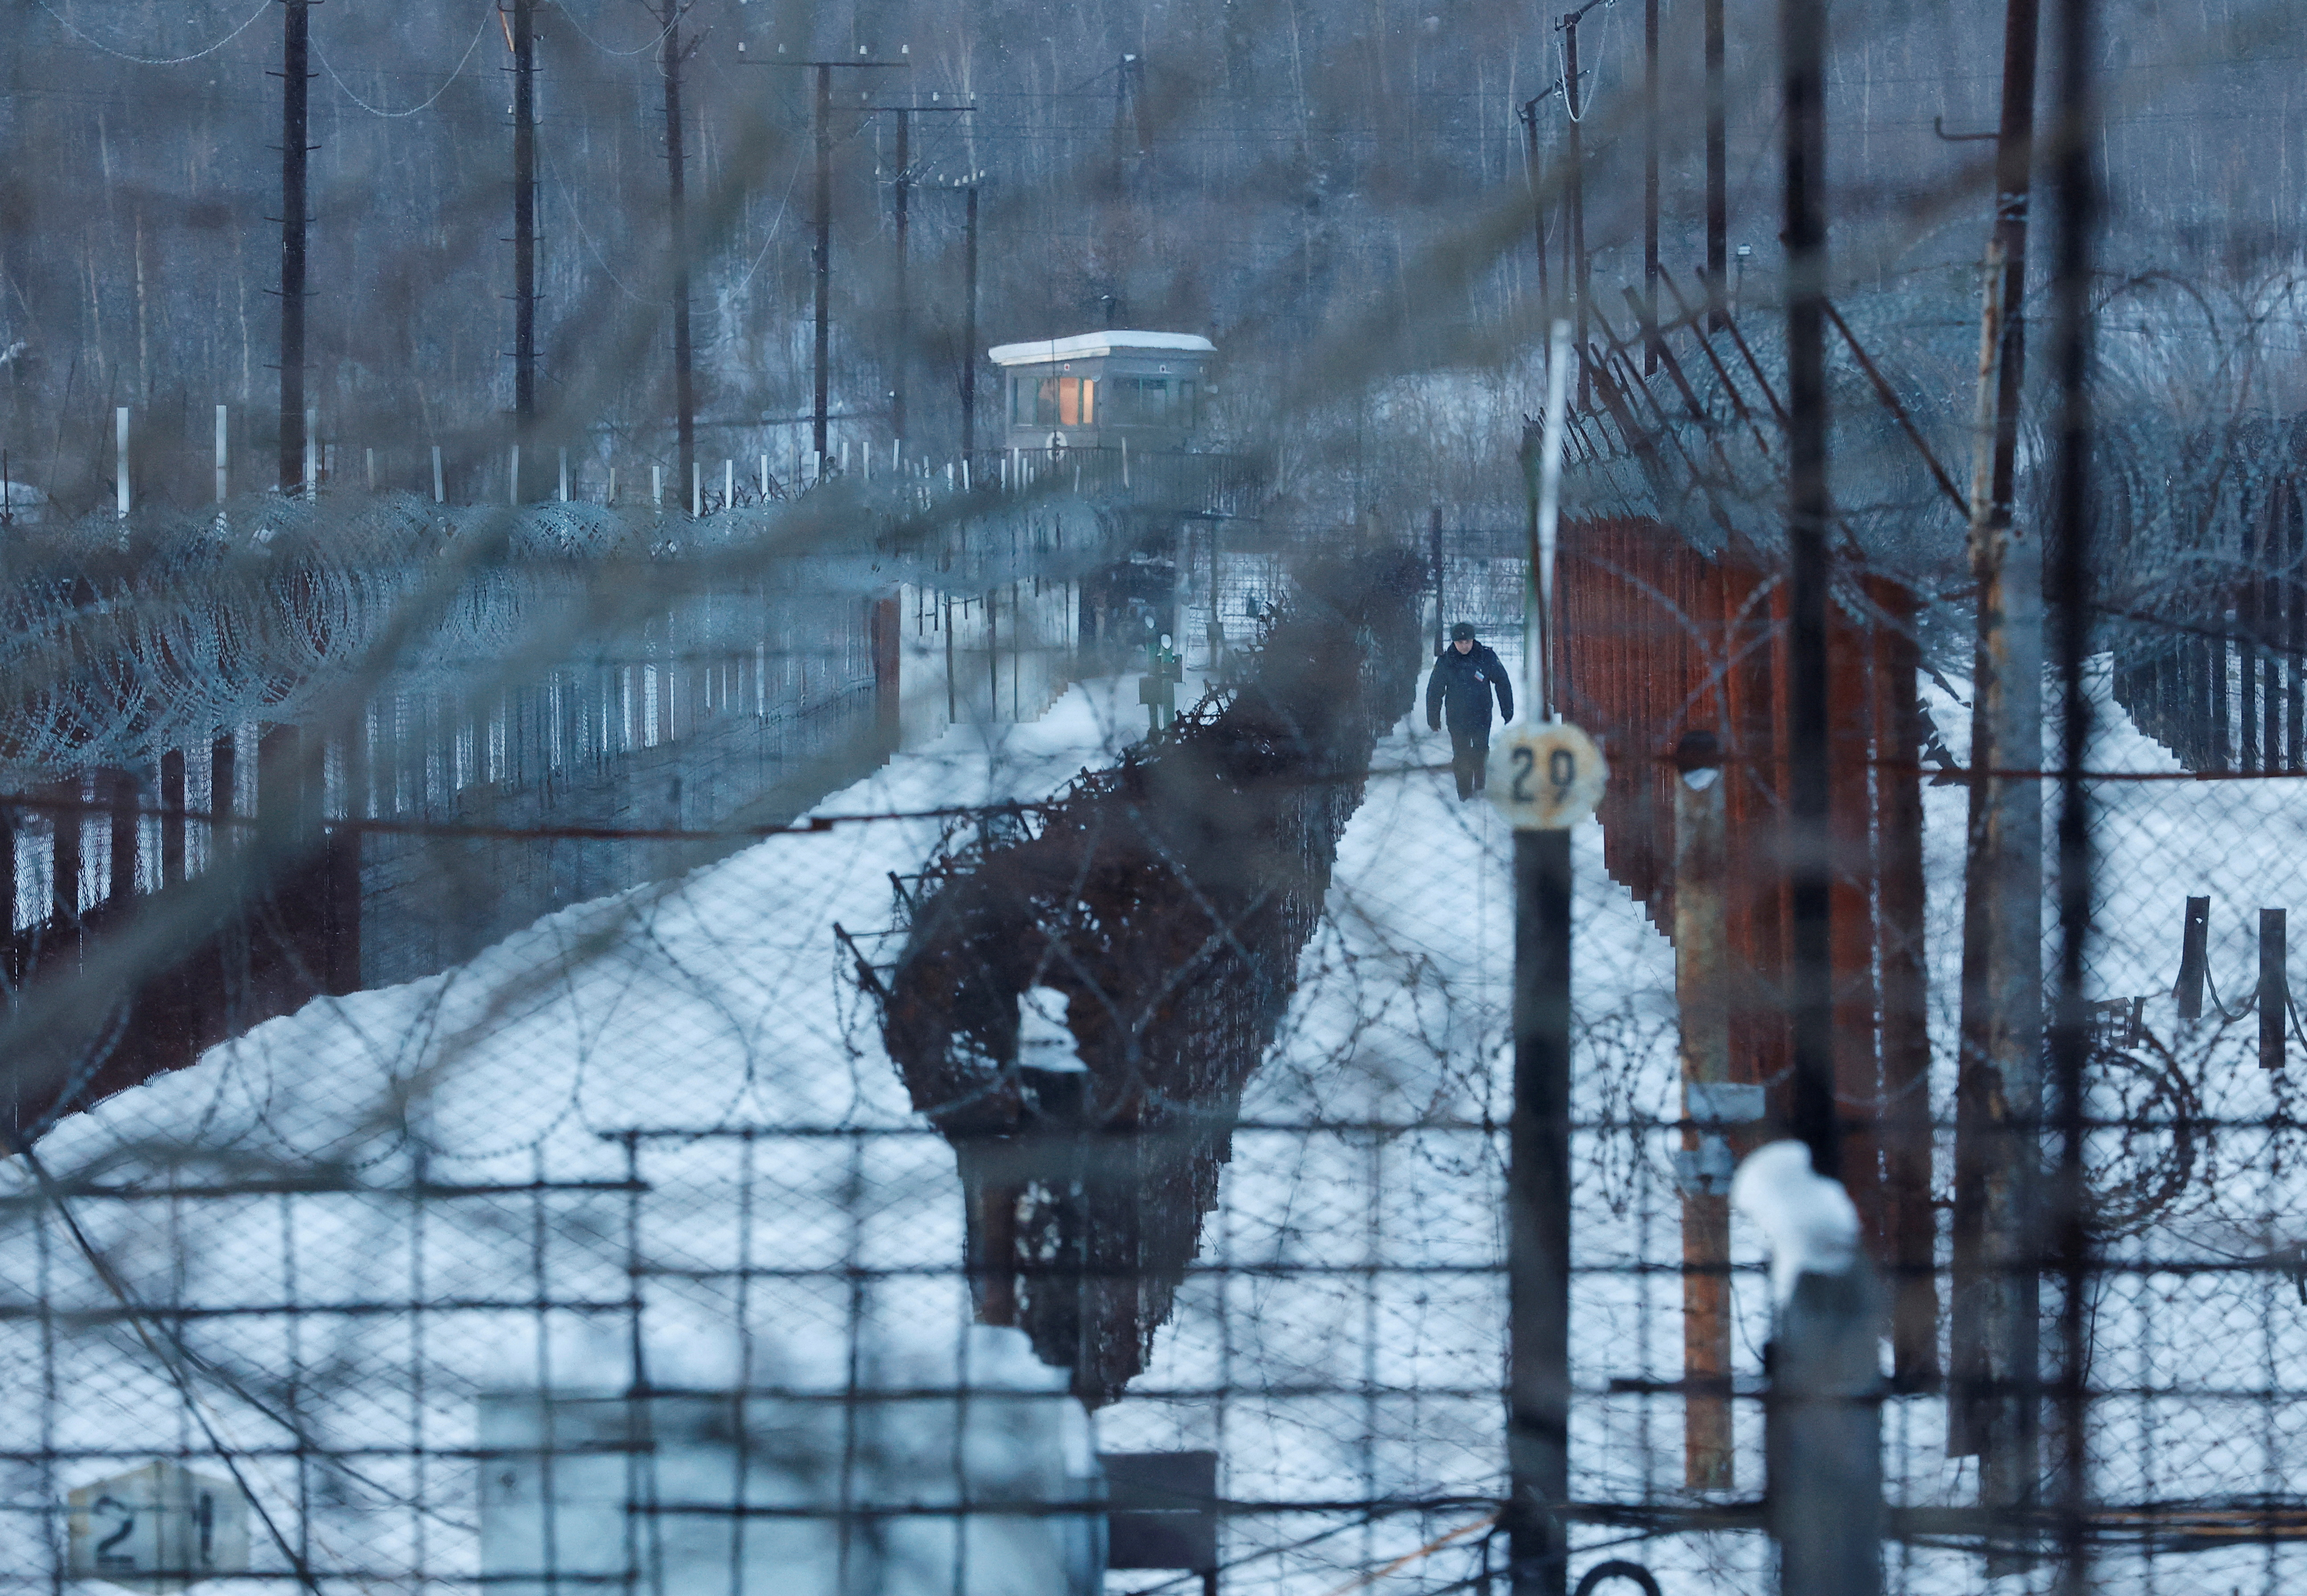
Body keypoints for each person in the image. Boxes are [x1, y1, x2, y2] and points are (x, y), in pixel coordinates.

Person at [1426, 622, 1514, 801]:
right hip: (1457, 717)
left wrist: (1507, 709)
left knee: (1481, 750)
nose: (1465, 646)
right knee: (1461, 753)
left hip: (1482, 715)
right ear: (1454, 642)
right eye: (1460, 642)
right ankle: (1464, 792)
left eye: (1468, 642)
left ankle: (1481, 785)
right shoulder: (1446, 661)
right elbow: (1434, 691)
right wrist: (1433, 718)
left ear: (1473, 640)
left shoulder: (1486, 657)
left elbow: (1502, 682)